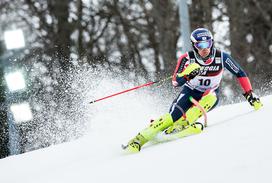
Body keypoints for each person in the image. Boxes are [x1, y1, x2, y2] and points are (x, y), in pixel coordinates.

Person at [123, 28, 263, 153]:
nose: (205, 48)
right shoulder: (187, 58)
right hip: (189, 92)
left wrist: (249, 94)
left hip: (210, 94)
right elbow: (175, 82)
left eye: (207, 43)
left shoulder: (222, 57)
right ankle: (138, 140)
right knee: (171, 117)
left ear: (212, 42)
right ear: (194, 46)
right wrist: (187, 75)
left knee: (211, 96)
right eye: (200, 45)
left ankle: (184, 124)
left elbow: (240, 73)